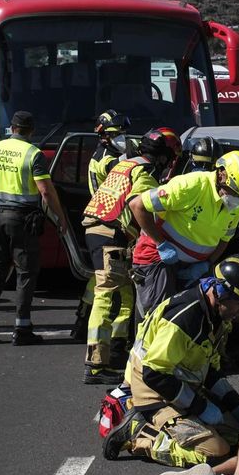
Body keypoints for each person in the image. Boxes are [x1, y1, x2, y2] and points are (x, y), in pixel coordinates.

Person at [102, 255, 239, 468]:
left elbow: (209, 371)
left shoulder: (216, 317)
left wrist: (236, 405)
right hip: (153, 392)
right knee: (215, 453)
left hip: (181, 385)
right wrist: (200, 406)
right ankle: (138, 433)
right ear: (220, 292)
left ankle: (177, 423)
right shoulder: (184, 319)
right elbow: (154, 374)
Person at [82, 127, 181, 384]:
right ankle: (95, 364)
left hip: (98, 230)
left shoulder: (126, 164)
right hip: (110, 234)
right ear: (162, 156)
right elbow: (140, 207)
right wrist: (159, 241)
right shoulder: (145, 171)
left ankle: (115, 353)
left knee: (122, 293)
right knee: (108, 296)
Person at [0, 110, 70, 345]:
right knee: (25, 273)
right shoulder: (33, 154)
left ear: (12, 128)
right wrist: (60, 218)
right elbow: (45, 191)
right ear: (31, 130)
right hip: (22, 220)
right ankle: (22, 330)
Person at [130, 150, 239, 317]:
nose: (235, 198)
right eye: (232, 191)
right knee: (158, 316)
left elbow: (224, 238)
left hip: (193, 268)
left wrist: (207, 263)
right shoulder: (191, 186)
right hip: (159, 258)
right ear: (221, 174)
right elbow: (137, 206)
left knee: (190, 318)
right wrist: (160, 244)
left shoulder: (236, 204)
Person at [73, 109, 133, 342]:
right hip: (111, 220)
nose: (122, 137)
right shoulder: (107, 161)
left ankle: (81, 321)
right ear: (104, 135)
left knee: (98, 280)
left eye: (123, 132)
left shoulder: (105, 153)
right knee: (115, 290)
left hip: (101, 219)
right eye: (117, 133)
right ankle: (114, 344)